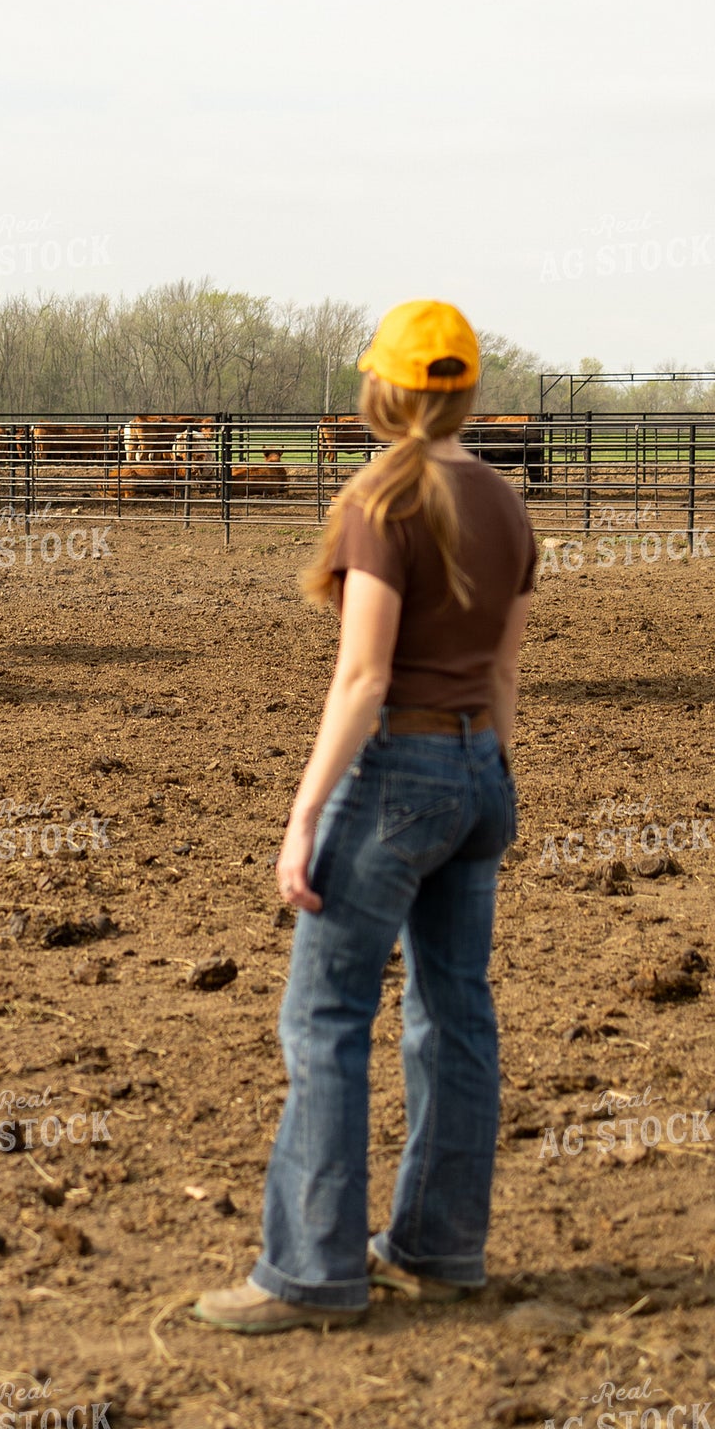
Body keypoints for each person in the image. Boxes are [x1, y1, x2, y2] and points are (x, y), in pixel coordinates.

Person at [193, 300, 536, 1333]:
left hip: (397, 770)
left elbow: (363, 678)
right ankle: (439, 1249)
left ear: (381, 389)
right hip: (480, 767)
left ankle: (311, 1271)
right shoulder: (507, 504)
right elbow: (508, 673)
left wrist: (304, 817)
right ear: (467, 390)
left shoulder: (382, 499)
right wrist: (494, 783)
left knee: (327, 1017)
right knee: (455, 1014)